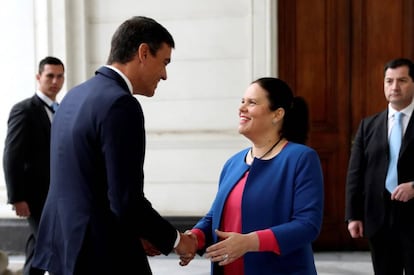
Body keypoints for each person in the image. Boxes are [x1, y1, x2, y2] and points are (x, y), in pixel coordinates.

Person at [32, 16, 196, 275]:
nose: (164, 75)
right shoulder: (121, 105)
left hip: (63, 247)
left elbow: (83, 182)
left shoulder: (74, 95)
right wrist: (176, 240)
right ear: (143, 52)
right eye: (164, 62)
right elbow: (125, 200)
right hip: (100, 255)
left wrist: (141, 232)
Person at [182, 77, 324, 274]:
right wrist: (193, 237)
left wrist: (249, 242)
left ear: (277, 114)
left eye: (252, 103)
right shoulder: (233, 163)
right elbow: (215, 216)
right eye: (242, 101)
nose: (242, 108)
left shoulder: (301, 158)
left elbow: (307, 225)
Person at [345, 58, 414, 275]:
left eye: (402, 80)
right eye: (389, 81)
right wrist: (353, 215)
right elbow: (355, 173)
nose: (394, 87)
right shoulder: (368, 125)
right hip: (379, 220)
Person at [3, 56, 65, 275]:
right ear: (39, 77)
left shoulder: (63, 109)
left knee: (38, 247)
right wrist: (17, 196)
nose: (55, 81)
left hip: (55, 193)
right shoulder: (24, 110)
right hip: (35, 196)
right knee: (52, 245)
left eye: (59, 76)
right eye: (50, 76)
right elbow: (12, 155)